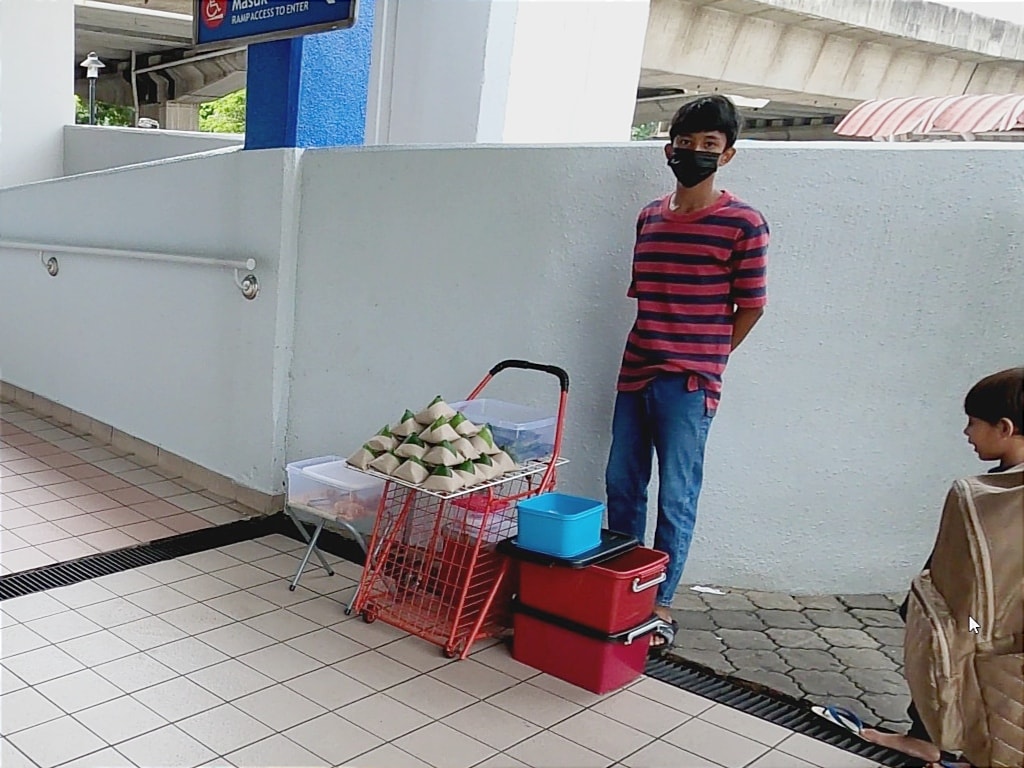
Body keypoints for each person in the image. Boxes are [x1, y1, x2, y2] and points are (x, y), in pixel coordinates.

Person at [605, 95, 769, 652]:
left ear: (727, 156)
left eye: (709, 146)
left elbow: (751, 305)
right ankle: (621, 588)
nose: (694, 153)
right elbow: (646, 295)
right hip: (636, 372)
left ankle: (661, 603)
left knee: (676, 496)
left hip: (690, 384)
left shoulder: (743, 223)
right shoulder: (649, 216)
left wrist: (709, 358)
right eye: (686, 143)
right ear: (669, 147)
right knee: (622, 486)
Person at [819, 367, 1024, 767]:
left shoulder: (984, 496)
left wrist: (954, 622)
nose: (966, 433)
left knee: (952, 659)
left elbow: (959, 578)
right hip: (999, 625)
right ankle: (948, 743)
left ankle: (932, 739)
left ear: (1004, 427)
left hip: (977, 621)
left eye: (972, 423)